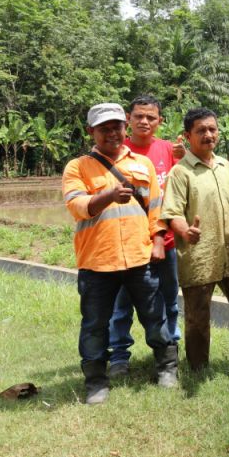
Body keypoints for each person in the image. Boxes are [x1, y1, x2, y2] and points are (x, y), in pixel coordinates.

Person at [61, 102, 178, 405]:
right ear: (92, 132)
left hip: (140, 258)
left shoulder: (142, 164)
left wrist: (157, 242)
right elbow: (77, 206)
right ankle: (96, 382)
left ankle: (167, 367)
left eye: (116, 126)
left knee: (155, 317)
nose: (112, 133)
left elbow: (156, 208)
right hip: (98, 261)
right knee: (95, 325)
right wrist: (108, 195)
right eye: (104, 128)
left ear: (124, 128)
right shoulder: (77, 167)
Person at [162, 107, 229, 372]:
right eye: (201, 130)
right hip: (199, 255)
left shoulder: (225, 166)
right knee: (198, 317)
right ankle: (198, 369)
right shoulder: (181, 172)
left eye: (212, 129)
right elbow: (172, 213)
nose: (208, 135)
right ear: (188, 136)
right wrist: (186, 231)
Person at [107, 95, 182, 379]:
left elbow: (175, 195)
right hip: (127, 245)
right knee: (121, 305)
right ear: (129, 118)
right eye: (138, 116)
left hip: (167, 242)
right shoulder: (115, 151)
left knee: (169, 301)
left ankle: (170, 352)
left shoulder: (169, 150)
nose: (144, 122)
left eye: (151, 117)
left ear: (159, 121)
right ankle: (119, 358)